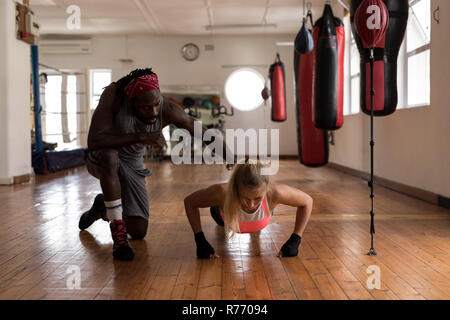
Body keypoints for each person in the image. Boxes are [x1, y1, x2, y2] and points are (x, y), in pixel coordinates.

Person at [79, 68, 230, 261]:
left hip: (133, 164)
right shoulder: (114, 96)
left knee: (139, 231)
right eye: (146, 108)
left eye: (156, 105)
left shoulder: (166, 108)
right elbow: (94, 142)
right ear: (131, 101)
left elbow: (196, 127)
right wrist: (142, 136)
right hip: (101, 159)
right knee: (110, 156)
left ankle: (103, 207)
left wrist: (230, 155)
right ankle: (118, 235)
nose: (154, 112)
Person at [184, 161, 313, 258]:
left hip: (261, 218)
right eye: (245, 198)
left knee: (265, 206)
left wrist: (295, 240)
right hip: (222, 217)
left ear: (266, 190)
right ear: (236, 189)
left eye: (257, 198)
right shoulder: (222, 193)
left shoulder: (275, 193)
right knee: (216, 206)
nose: (251, 205)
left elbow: (307, 201)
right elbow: (189, 202)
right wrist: (200, 240)